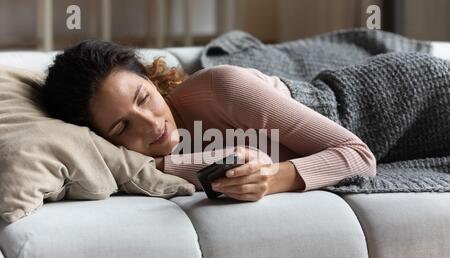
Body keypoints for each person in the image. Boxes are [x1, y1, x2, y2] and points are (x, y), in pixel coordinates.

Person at [42, 40, 376, 202]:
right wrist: (156, 164)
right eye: (122, 126)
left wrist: (274, 178)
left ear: (151, 80)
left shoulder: (223, 87)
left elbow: (358, 156)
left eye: (144, 98)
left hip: (388, 99)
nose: (150, 124)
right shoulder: (138, 160)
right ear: (102, 139)